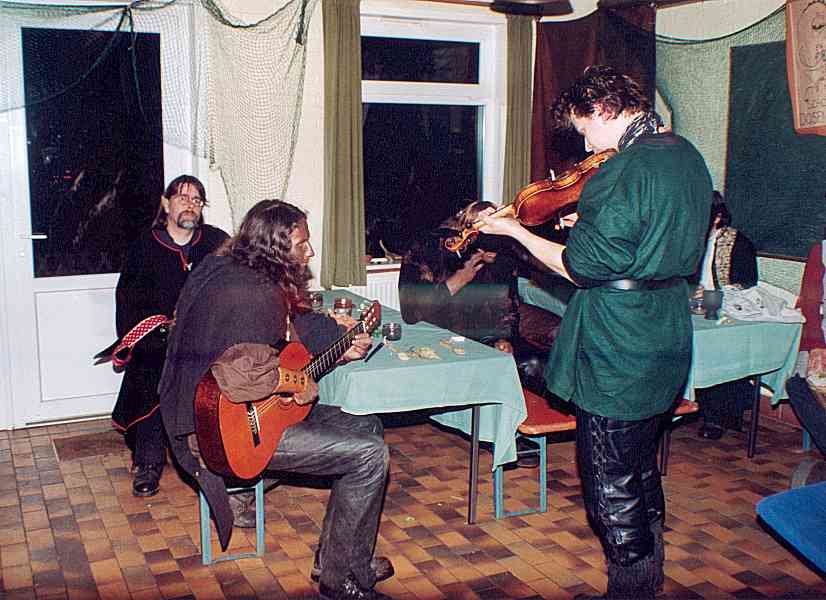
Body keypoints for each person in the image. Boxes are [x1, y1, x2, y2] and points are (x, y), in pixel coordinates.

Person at [478, 65, 712, 599]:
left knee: (609, 481)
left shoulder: (621, 170)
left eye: (586, 129)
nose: (585, 145)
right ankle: (648, 579)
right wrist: (589, 227)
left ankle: (630, 590)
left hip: (619, 339)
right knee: (640, 467)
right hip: (667, 327)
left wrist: (515, 231)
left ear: (605, 109)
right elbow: (644, 238)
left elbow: (578, 268)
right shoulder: (686, 155)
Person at [159, 200, 393, 600]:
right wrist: (297, 382)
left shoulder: (227, 266)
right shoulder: (254, 295)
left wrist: (339, 345)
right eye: (302, 244)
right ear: (275, 246)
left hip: (201, 413)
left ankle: (341, 558)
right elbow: (243, 375)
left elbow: (290, 326)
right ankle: (340, 582)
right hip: (221, 434)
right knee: (370, 455)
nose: (311, 252)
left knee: (368, 426)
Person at [398, 201, 562, 468]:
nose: (495, 251)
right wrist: (459, 280)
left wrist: (503, 338)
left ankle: (528, 425)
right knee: (491, 366)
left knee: (533, 361)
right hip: (442, 335)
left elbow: (508, 304)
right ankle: (504, 435)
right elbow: (412, 312)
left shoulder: (500, 257)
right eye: (489, 244)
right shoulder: (427, 248)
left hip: (487, 334)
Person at [111, 174, 228, 498]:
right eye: (182, 198)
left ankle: (219, 456)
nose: (190, 205)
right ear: (166, 204)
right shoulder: (144, 247)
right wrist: (150, 335)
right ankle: (148, 462)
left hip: (205, 339)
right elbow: (127, 301)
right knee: (153, 375)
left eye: (196, 200)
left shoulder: (217, 243)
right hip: (158, 340)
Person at [691, 192, 758, 440]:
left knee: (716, 349)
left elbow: (747, 284)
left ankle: (717, 416)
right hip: (694, 309)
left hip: (726, 315)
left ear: (717, 217)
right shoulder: (690, 241)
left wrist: (711, 295)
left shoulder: (739, 243)